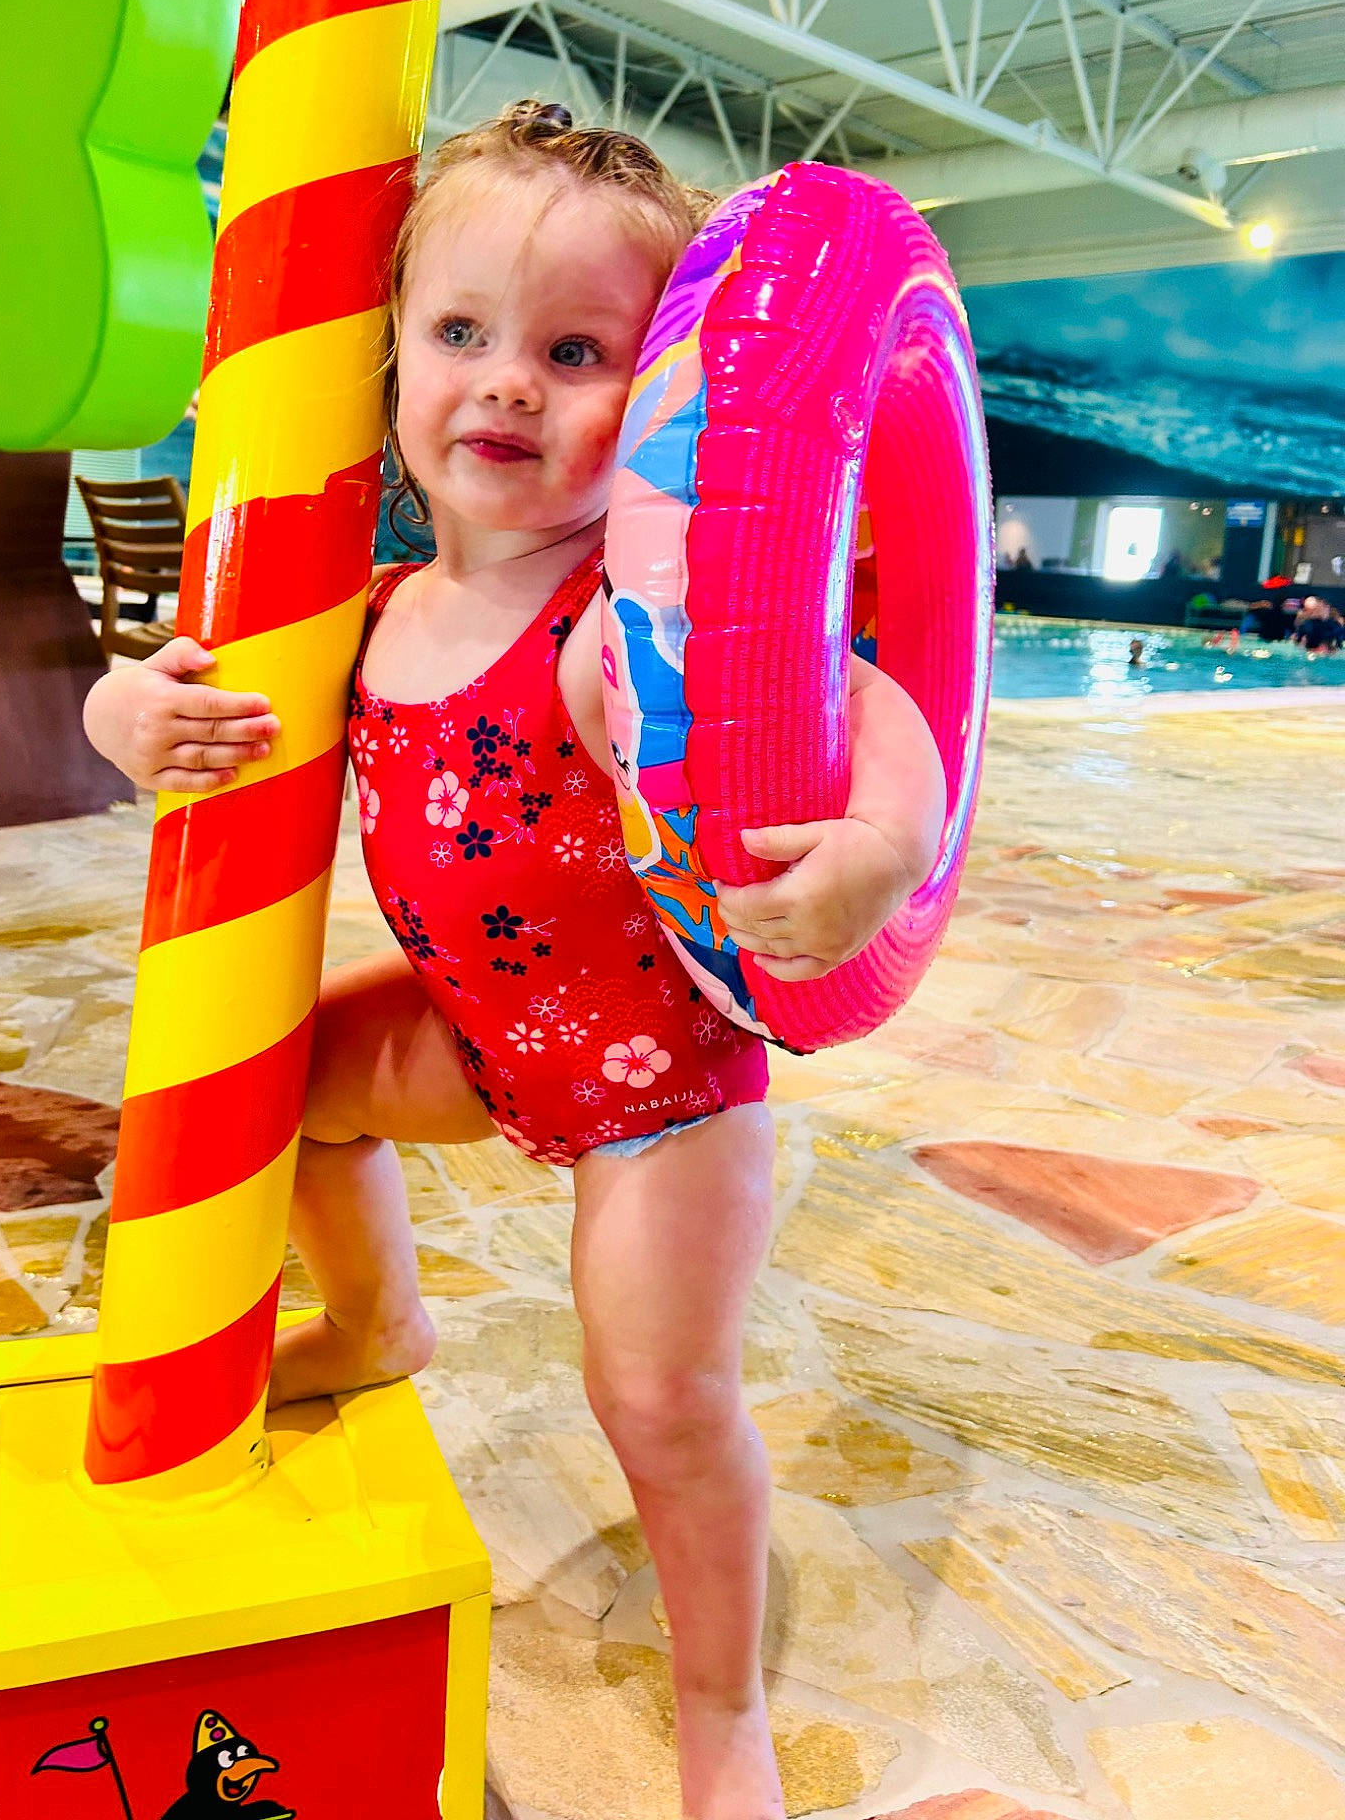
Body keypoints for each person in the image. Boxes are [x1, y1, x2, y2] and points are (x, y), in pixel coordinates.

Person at [83, 103, 946, 1820]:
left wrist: (885, 852)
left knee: (660, 1395)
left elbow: (871, 705)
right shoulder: (367, 609)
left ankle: (722, 1715)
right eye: (461, 334)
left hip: (657, 1091)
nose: (505, 385)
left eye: (574, 352)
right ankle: (378, 1317)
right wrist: (129, 713)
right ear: (394, 354)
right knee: (281, 1094)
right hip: (476, 1032)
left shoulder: (626, 620)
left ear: (656, 399)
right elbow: (180, 696)